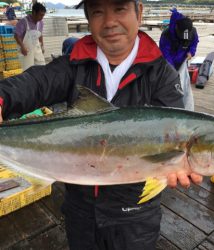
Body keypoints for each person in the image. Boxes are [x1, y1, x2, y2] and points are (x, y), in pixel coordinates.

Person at [0, 0, 203, 249]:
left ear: (138, 12)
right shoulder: (73, 65)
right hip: (80, 212)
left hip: (135, 218)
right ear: (88, 18)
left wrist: (175, 166)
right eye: (97, 11)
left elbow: (174, 128)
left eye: (119, 8)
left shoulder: (161, 75)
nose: (109, 22)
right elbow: (35, 83)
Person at [14, 2, 46, 71]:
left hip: (36, 47)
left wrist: (42, 46)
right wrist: (22, 47)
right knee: (27, 70)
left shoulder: (41, 23)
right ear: (34, 12)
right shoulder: (23, 22)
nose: (42, 17)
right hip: (26, 49)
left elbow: (40, 35)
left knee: (42, 67)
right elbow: (16, 35)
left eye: (43, 15)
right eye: (40, 15)